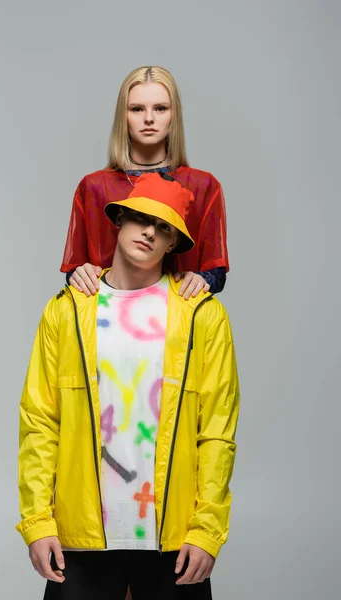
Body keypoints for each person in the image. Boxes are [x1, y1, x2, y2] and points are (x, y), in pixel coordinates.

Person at [16, 173, 239, 599]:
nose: (150, 232)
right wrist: (37, 521)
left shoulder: (202, 316)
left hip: (173, 540)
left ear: (174, 243)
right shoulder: (66, 312)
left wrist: (207, 530)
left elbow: (216, 432)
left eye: (164, 227)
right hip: (80, 536)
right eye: (140, 219)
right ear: (119, 220)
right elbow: (40, 422)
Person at [61, 65, 229, 301]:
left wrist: (201, 280)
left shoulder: (203, 186)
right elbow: (73, 270)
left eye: (160, 108)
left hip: (177, 318)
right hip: (107, 318)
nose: (149, 118)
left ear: (174, 115)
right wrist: (80, 275)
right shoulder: (94, 187)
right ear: (124, 115)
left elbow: (216, 272)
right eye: (137, 109)